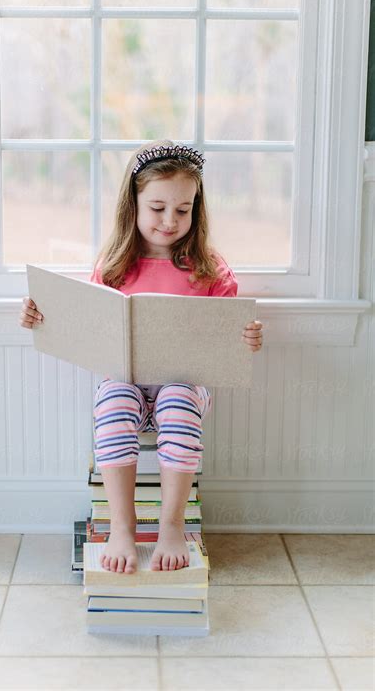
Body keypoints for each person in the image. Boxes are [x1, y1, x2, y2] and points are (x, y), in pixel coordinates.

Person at [19, 139, 263, 576]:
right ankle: (122, 526)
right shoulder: (113, 267)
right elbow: (83, 325)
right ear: (132, 204)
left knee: (176, 398)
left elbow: (224, 342)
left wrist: (244, 339)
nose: (170, 221)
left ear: (196, 209)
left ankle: (171, 526)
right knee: (114, 398)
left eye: (183, 210)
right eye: (157, 208)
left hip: (186, 387)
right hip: (125, 382)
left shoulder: (210, 269)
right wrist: (42, 316)